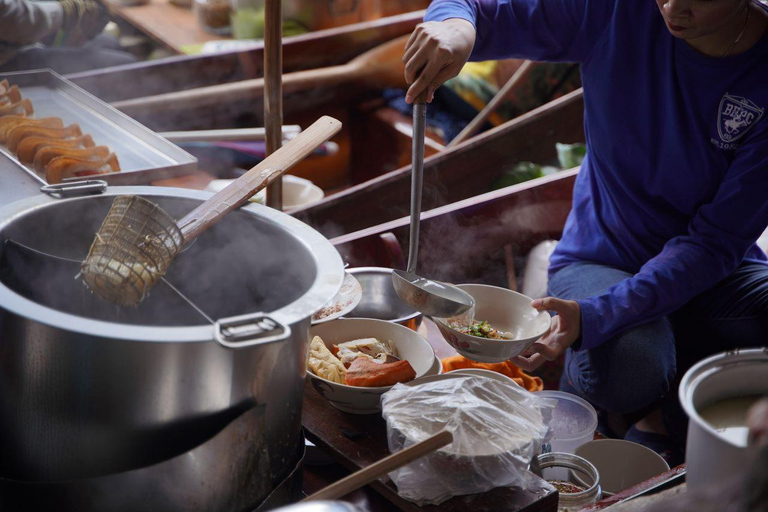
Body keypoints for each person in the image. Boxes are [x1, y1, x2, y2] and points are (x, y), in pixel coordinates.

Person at [404, 0, 768, 463]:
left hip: (714, 273)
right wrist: (455, 27)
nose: (673, 8)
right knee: (630, 370)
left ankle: (662, 417)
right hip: (604, 256)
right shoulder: (617, 10)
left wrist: (597, 316)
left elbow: (715, 243)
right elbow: (477, 8)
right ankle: (631, 390)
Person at [0, 0, 135, 74]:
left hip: (15, 40)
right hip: (6, 60)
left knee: (109, 42)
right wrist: (69, 11)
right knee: (125, 66)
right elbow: (9, 18)